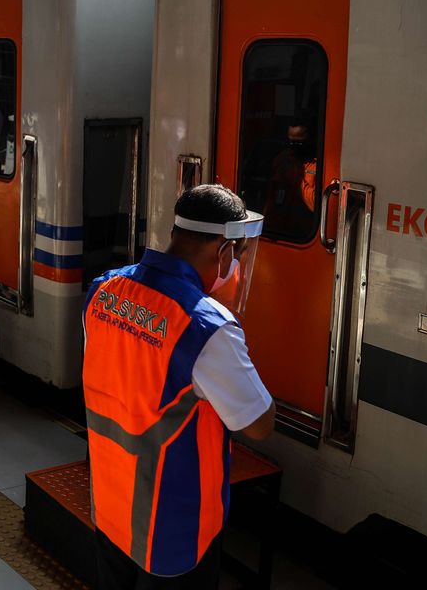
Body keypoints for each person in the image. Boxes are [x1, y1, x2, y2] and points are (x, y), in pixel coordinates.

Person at [83, 184, 275, 590]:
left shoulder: (104, 289)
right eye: (236, 257)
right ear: (223, 253)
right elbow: (259, 424)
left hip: (112, 503)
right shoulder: (206, 326)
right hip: (174, 525)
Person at [262, 121, 319, 236]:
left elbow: (316, 204)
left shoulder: (318, 165)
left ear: (309, 140)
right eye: (291, 142)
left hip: (304, 232)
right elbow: (271, 195)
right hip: (278, 228)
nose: (294, 147)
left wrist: (297, 181)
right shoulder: (283, 159)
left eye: (299, 143)